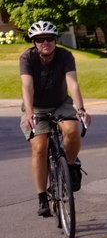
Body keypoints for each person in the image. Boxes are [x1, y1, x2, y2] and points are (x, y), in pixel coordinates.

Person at [18, 21, 90, 217]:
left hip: (60, 104)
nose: (45, 43)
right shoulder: (27, 58)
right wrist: (30, 112)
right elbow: (27, 87)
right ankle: (42, 197)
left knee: (72, 130)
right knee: (39, 147)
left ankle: (71, 166)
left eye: (49, 38)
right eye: (40, 39)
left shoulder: (65, 55)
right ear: (34, 42)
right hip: (36, 107)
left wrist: (81, 108)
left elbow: (72, 83)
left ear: (56, 40)